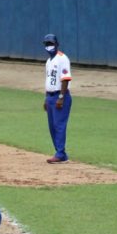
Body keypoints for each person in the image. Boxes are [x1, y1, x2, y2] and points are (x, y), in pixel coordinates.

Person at [42, 33, 72, 164]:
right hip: (50, 96)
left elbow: (65, 79)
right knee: (52, 127)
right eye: (47, 44)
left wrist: (61, 97)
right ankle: (60, 153)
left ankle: (60, 154)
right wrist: (46, 98)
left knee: (59, 126)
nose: (49, 46)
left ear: (57, 44)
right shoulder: (49, 61)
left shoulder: (62, 58)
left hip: (60, 96)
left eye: (51, 44)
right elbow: (49, 80)